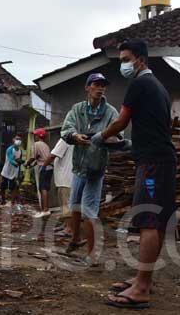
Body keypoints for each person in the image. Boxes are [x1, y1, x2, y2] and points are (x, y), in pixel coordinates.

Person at [97, 39, 176, 309]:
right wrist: (133, 145)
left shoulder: (140, 84)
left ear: (140, 59)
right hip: (161, 159)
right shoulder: (159, 87)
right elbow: (158, 127)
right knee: (156, 221)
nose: (123, 65)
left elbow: (121, 121)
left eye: (125, 59)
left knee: (148, 220)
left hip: (153, 163)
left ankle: (141, 288)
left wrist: (100, 137)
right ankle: (144, 279)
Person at [61, 72, 121, 265]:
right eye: (96, 84)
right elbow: (66, 129)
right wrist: (75, 136)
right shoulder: (77, 109)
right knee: (74, 206)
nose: (100, 88)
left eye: (103, 85)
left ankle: (92, 255)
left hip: (96, 167)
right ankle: (75, 239)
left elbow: (118, 135)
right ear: (87, 87)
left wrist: (103, 139)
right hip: (79, 166)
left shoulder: (110, 112)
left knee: (89, 211)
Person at [43, 138, 74, 236]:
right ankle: (65, 225)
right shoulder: (74, 140)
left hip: (65, 179)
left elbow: (52, 155)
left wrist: (43, 166)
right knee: (65, 204)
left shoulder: (65, 140)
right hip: (67, 178)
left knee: (66, 205)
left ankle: (68, 229)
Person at [30, 128, 53, 218]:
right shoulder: (45, 145)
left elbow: (33, 157)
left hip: (44, 168)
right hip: (49, 168)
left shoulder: (36, 144)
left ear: (38, 136)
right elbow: (40, 157)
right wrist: (34, 163)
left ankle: (45, 210)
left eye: (35, 135)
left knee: (43, 188)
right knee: (46, 188)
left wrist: (27, 163)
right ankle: (46, 209)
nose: (34, 137)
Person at [0, 135, 24, 207]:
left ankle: (12, 202)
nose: (18, 140)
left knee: (14, 187)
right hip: (6, 170)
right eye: (17, 139)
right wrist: (16, 163)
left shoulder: (20, 151)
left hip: (14, 172)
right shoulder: (10, 149)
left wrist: (19, 171)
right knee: (3, 186)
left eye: (19, 139)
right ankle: (3, 200)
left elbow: (19, 161)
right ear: (13, 140)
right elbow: (10, 159)